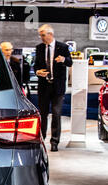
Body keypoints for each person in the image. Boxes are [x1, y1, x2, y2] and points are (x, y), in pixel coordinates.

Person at [34, 24, 73, 152]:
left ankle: (55, 141)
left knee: (56, 114)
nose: (41, 38)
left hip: (58, 87)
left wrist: (63, 59)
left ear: (50, 34)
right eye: (40, 35)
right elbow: (36, 66)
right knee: (43, 114)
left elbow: (70, 62)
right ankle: (42, 139)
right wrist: (37, 72)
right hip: (44, 86)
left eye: (43, 35)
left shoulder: (63, 47)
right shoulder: (39, 48)